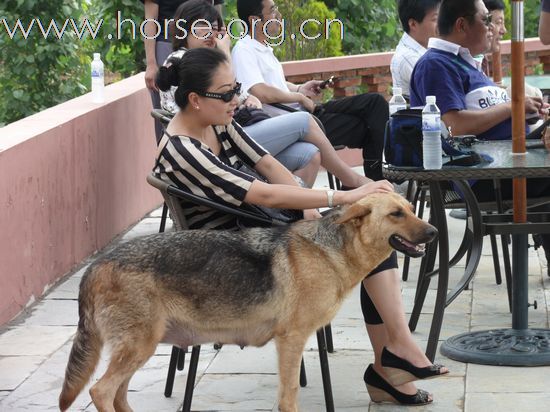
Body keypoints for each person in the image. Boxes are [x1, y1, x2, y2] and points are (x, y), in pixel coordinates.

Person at [155, 47, 448, 406]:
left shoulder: (219, 123)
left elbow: (264, 163)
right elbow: (262, 194)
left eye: (237, 87)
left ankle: (395, 353)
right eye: (228, 92)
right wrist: (340, 198)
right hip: (235, 253)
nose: (239, 99)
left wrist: (303, 202)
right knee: (366, 231)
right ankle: (394, 356)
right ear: (197, 100)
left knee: (373, 236)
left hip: (261, 230)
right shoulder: (182, 150)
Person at [158, 0, 370, 189]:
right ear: (184, 30)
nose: (211, 35)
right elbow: (216, 104)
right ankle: (352, 181)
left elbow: (231, 95)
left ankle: (288, 218)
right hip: (218, 144)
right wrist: (223, 56)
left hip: (234, 135)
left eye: (215, 28)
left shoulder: (203, 63)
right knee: (305, 121)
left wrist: (247, 97)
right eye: (202, 27)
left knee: (310, 154)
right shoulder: (182, 62)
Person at [410, 0, 550, 271]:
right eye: (487, 20)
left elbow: (490, 114)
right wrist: (512, 107)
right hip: (485, 176)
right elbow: (455, 127)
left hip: (509, 164)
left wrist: (524, 112)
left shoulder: (466, 64)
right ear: (462, 24)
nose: (492, 28)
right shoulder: (437, 64)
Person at [231, 0, 389, 182]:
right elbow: (260, 92)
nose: (279, 15)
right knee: (369, 116)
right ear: (254, 20)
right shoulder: (244, 50)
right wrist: (298, 96)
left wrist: (300, 88)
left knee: (372, 112)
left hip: (303, 111)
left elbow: (277, 85)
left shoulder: (263, 47)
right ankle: (371, 184)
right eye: (272, 11)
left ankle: (366, 187)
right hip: (293, 122)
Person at [143, 0, 225, 142]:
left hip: (205, 44)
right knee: (169, 110)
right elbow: (150, 19)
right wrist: (151, 63)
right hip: (168, 43)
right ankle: (170, 155)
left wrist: (218, 41)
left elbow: (217, 11)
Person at [391, 0, 441, 98]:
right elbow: (441, 94)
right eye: (435, 19)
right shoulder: (409, 57)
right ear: (413, 24)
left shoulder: (429, 48)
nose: (442, 23)